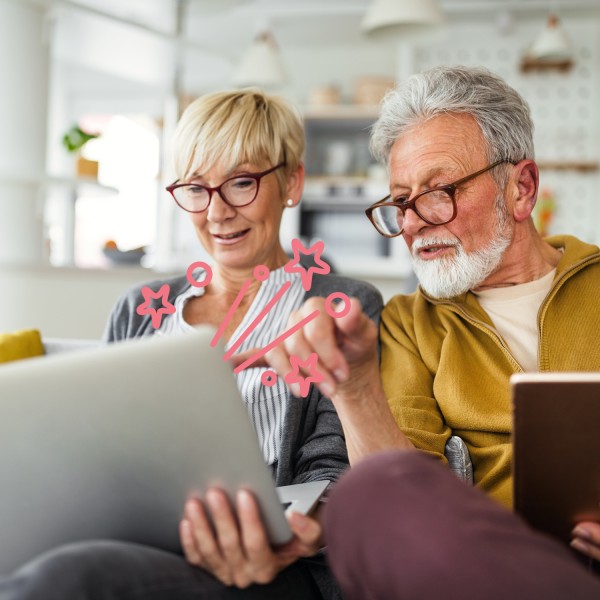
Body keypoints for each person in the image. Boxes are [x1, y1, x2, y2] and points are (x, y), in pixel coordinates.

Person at [0, 89, 382, 599]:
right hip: (146, 540)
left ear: (292, 181)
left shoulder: (341, 305)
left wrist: (286, 527)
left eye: (241, 183)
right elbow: (101, 448)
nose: (217, 212)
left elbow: (333, 473)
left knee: (69, 579)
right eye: (196, 189)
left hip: (271, 565)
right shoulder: (139, 310)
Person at [262, 66, 600, 597]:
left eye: (439, 191)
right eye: (400, 201)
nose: (414, 221)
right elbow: (399, 502)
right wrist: (354, 386)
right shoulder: (406, 325)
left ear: (521, 189)